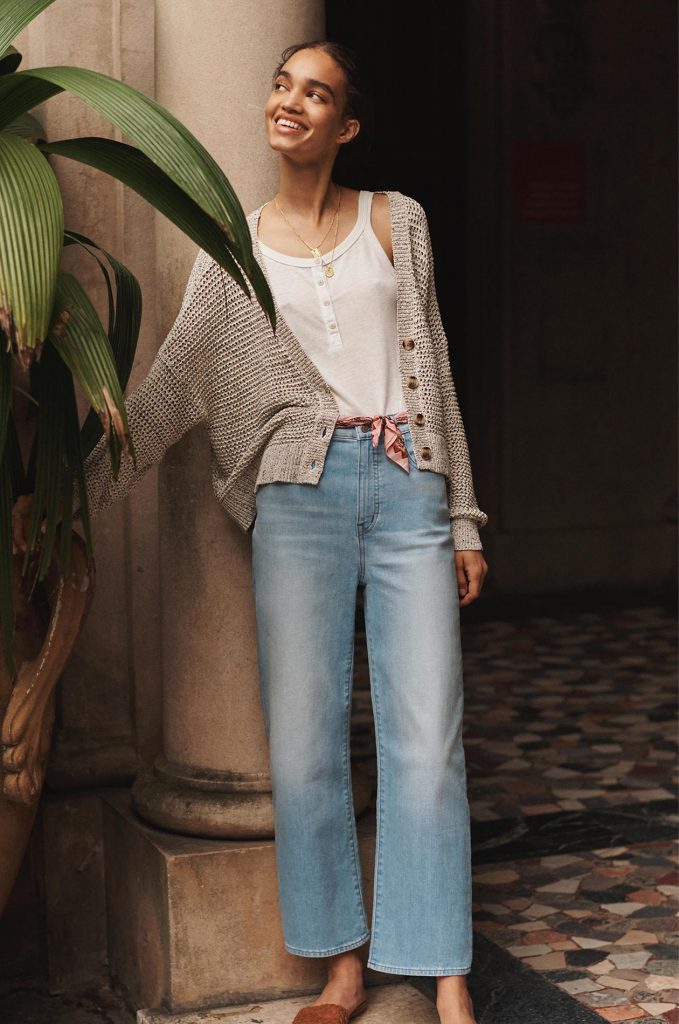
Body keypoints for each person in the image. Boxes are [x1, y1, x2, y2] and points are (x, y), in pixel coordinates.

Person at [13, 39, 488, 1024]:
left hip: (407, 486)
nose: (290, 102)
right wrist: (63, 492)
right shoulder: (231, 251)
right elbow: (170, 389)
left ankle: (444, 973)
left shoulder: (398, 223)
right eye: (281, 85)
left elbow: (432, 366)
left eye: (315, 94)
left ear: (344, 125)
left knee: (425, 737)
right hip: (298, 500)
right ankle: (341, 969)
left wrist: (464, 518)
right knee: (306, 744)